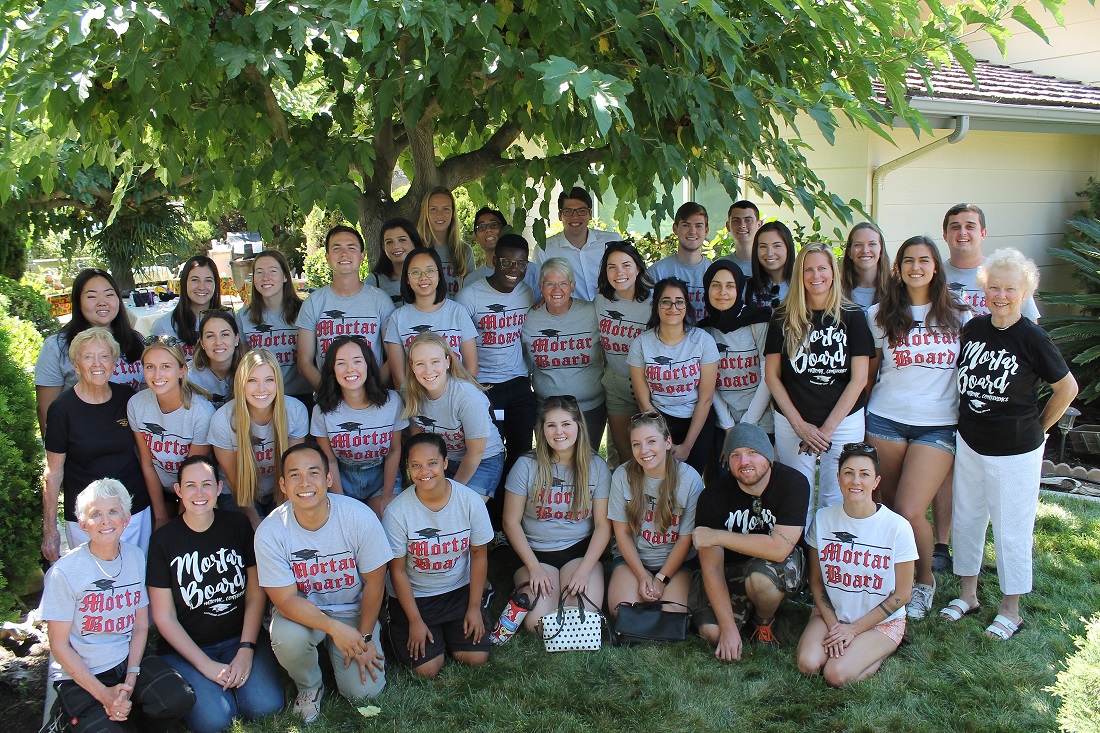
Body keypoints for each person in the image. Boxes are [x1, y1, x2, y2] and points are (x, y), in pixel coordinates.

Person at [940, 249, 1077, 641]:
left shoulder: (1033, 337)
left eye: (1010, 289)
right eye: (994, 287)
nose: (1001, 295)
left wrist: (1040, 426)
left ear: (1024, 292)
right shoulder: (975, 329)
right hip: (970, 442)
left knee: (1011, 528)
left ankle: (1010, 608)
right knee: (967, 517)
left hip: (1016, 450)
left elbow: (1067, 388)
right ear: (984, 289)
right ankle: (968, 594)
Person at [933, 203, 1042, 570]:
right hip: (962, 409)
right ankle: (946, 551)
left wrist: (1036, 425)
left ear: (983, 232)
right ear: (945, 233)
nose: (962, 232)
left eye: (970, 226)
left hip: (1011, 430)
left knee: (1009, 515)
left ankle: (1010, 597)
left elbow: (1038, 355)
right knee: (965, 499)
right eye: (954, 226)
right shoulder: (939, 276)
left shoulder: (1009, 277)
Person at [865, 236, 969, 619]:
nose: (915, 267)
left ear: (936, 267)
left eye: (924, 260)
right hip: (885, 420)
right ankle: (890, 580)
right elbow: (871, 374)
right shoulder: (878, 315)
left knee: (910, 511)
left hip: (938, 426)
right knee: (887, 508)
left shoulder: (960, 315)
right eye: (908, 260)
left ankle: (923, 582)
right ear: (898, 268)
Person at [41, 479, 195, 732]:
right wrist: (104, 695)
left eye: (113, 511)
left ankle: (131, 719)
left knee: (178, 698)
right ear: (82, 524)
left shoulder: (134, 556)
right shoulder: (64, 573)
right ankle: (65, 719)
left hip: (127, 660)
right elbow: (59, 646)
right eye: (95, 514)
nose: (105, 521)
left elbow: (140, 625)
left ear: (126, 518)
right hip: (82, 674)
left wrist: (132, 676)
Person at [255, 444, 392, 723]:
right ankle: (309, 686)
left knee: (363, 694)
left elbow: (375, 583)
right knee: (287, 638)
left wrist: (364, 638)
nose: (304, 483)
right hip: (304, 612)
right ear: (282, 484)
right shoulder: (271, 530)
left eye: (313, 473)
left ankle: (353, 645)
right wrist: (333, 628)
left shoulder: (359, 517)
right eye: (294, 475)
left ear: (328, 479)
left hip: (354, 610)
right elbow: (285, 600)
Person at [147, 455, 284, 733]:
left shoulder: (237, 526)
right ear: (179, 491)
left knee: (265, 706)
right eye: (191, 486)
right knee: (214, 722)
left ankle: (237, 675)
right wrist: (205, 665)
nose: (199, 493)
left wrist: (246, 650)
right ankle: (213, 685)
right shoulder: (163, 540)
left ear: (219, 487)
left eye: (206, 484)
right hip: (188, 648)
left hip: (238, 638)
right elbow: (164, 617)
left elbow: (256, 595)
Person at [765, 242, 874, 528]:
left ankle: (828, 561)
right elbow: (772, 377)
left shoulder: (852, 316)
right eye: (808, 269)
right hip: (792, 421)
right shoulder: (782, 316)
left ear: (833, 273)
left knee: (835, 495)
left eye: (822, 268)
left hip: (843, 421)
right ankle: (797, 559)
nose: (816, 275)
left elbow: (859, 378)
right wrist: (800, 426)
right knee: (796, 493)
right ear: (799, 274)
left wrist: (826, 430)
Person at [797, 442, 917, 686]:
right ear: (839, 478)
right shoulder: (823, 520)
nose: (855, 481)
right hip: (832, 613)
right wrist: (835, 626)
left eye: (864, 474)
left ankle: (881, 649)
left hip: (881, 622)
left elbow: (903, 594)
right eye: (849, 473)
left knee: (835, 675)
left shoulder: (897, 527)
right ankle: (852, 648)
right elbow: (817, 583)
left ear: (876, 482)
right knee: (808, 664)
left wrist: (853, 630)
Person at [690, 423, 810, 659]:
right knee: (711, 631)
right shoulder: (712, 496)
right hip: (730, 570)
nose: (744, 461)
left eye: (752, 453)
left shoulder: (793, 483)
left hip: (778, 565)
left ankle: (762, 620)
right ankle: (741, 616)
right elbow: (712, 567)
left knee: (761, 579)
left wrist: (717, 536)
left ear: (767, 455)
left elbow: (779, 549)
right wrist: (727, 629)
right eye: (736, 455)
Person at [383, 433, 494, 677]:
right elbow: (397, 571)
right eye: (416, 465)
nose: (425, 471)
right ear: (408, 468)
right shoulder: (397, 512)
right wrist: (414, 620)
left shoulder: (470, 502)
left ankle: (479, 607)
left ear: (445, 463)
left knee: (475, 657)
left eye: (432, 463)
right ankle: (401, 623)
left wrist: (473, 608)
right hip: (417, 595)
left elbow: (478, 556)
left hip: (458, 589)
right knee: (427, 669)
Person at [43, 328, 156, 562]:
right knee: (94, 592)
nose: (97, 364)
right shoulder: (61, 410)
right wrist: (50, 529)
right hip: (86, 518)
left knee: (135, 583)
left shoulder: (127, 398)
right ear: (76, 365)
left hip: (132, 513)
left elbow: (145, 455)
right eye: (88, 357)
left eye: (104, 356)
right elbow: (53, 473)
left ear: (114, 362)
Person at [502, 396, 612, 630]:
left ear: (578, 427)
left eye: (566, 424)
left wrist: (584, 572)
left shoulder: (596, 466)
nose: (558, 432)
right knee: (537, 623)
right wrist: (534, 567)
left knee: (583, 617)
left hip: (578, 552)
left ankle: (584, 576)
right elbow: (510, 522)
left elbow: (603, 526)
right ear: (541, 430)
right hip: (536, 552)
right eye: (551, 425)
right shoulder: (526, 465)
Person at [455, 233, 537, 507]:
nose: (514, 271)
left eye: (521, 264)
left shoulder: (527, 292)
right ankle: (488, 517)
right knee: (489, 453)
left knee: (521, 452)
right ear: (494, 261)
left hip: (518, 384)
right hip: (484, 387)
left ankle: (510, 514)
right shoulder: (470, 296)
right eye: (507, 263)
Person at [607, 412, 702, 617]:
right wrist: (642, 575)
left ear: (668, 442)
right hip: (634, 559)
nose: (644, 450)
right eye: (636, 444)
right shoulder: (622, 475)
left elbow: (685, 539)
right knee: (622, 613)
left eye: (651, 441)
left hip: (677, 562)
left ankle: (667, 590)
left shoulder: (689, 479)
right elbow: (621, 533)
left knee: (675, 616)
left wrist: (660, 578)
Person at [35, 268, 145, 435]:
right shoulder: (57, 346)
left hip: (131, 447)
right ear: (78, 302)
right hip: (82, 447)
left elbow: (147, 399)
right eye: (92, 296)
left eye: (109, 295)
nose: (102, 302)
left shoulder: (137, 341)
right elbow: (47, 411)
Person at [628, 277, 719, 475]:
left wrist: (687, 445)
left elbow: (705, 399)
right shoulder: (641, 344)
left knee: (692, 479)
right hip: (658, 417)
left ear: (686, 306)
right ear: (657, 306)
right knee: (661, 478)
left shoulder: (703, 341)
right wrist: (665, 439)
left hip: (696, 418)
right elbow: (644, 402)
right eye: (666, 301)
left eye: (679, 301)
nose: (673, 307)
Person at [208, 349, 309, 528]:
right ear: (241, 383)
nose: (261, 389)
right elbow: (233, 480)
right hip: (238, 493)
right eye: (252, 381)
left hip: (280, 490)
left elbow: (293, 470)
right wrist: (255, 521)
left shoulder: (295, 411)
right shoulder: (223, 420)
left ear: (278, 381)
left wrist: (278, 518)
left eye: (269, 380)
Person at [403, 332, 506, 501]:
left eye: (435, 362)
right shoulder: (411, 395)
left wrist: (450, 491)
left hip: (483, 460)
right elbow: (420, 443)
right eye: (420, 363)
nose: (428, 370)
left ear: (447, 362)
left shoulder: (467, 397)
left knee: (460, 507)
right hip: (443, 461)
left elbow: (476, 451)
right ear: (412, 366)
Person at [312, 335, 407, 516]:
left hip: (381, 476)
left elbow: (395, 450)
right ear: (332, 368)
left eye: (357, 361)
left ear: (368, 365)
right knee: (348, 523)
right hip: (342, 476)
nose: (350, 369)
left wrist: (387, 495)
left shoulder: (392, 402)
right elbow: (329, 460)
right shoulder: (322, 410)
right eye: (341, 363)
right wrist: (340, 503)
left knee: (384, 518)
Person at [297, 225, 396, 390]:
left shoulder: (380, 300)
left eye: (351, 248)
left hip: (373, 397)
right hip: (329, 400)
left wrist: (373, 390)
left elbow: (394, 355)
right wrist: (328, 395)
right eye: (337, 248)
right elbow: (304, 362)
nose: (344, 254)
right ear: (328, 257)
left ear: (362, 256)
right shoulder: (314, 303)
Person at [522, 257, 607, 449]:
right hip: (547, 410)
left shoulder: (592, 312)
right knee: (553, 467)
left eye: (563, 284)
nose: (557, 290)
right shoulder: (529, 319)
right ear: (541, 287)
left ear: (573, 286)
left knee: (588, 465)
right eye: (550, 284)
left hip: (589, 409)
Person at [699, 260, 774, 475]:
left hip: (760, 420)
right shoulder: (704, 331)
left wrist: (746, 427)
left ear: (739, 288)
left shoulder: (758, 322)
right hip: (724, 423)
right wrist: (730, 426)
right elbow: (708, 385)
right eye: (716, 285)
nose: (723, 292)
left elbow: (768, 378)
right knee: (726, 483)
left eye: (730, 286)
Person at [128, 336, 215, 520]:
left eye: (166, 366)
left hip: (192, 490)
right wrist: (160, 516)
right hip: (157, 488)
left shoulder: (201, 413)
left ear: (182, 370)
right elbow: (147, 463)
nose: (157, 375)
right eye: (150, 367)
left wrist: (180, 520)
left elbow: (192, 473)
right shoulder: (137, 404)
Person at [384, 246, 479, 389]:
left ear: (439, 275)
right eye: (415, 272)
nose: (423, 277)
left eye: (429, 270)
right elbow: (399, 378)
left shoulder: (458, 312)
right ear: (407, 279)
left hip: (456, 397)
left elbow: (472, 369)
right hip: (416, 401)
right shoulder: (398, 318)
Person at [594, 241, 654, 464]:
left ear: (638, 268)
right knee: (625, 455)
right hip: (616, 386)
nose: (619, 273)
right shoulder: (601, 301)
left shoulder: (654, 302)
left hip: (650, 388)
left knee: (649, 454)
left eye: (626, 265)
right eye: (612, 266)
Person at [239, 250, 311, 409]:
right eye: (259, 272)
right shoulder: (243, 317)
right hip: (261, 399)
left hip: (300, 399)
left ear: (285, 276)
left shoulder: (305, 311)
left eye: (272, 271)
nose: (265, 277)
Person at [531, 186, 619, 301]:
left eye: (581, 211)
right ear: (559, 215)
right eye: (568, 212)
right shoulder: (544, 250)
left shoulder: (612, 242)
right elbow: (539, 290)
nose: (575, 217)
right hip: (571, 316)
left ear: (590, 214)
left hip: (611, 311)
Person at [648, 202, 713, 322]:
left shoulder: (715, 272)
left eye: (698, 226)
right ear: (675, 229)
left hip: (707, 339)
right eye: (686, 225)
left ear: (706, 230)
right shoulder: (657, 272)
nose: (692, 231)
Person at [152, 255, 222, 361]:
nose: (201, 287)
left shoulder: (229, 318)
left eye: (208, 280)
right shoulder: (163, 326)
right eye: (195, 280)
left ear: (216, 284)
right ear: (184, 283)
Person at [417, 186, 475, 295]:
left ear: (452, 213)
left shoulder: (464, 250)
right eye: (433, 209)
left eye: (446, 209)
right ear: (425, 213)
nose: (440, 214)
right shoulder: (415, 248)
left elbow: (471, 293)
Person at [189, 309, 247, 410]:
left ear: (236, 338)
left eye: (225, 334)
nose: (218, 342)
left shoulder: (249, 372)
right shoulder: (189, 377)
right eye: (210, 336)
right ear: (202, 343)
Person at [369, 218, 423, 306]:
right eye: (389, 242)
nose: (395, 246)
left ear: (413, 242)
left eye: (402, 240)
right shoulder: (374, 282)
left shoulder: (428, 276)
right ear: (383, 247)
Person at [746, 221, 796, 315]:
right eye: (763, 247)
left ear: (788, 248)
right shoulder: (747, 287)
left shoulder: (801, 285)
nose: (769, 253)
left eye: (777, 246)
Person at [840, 223, 891, 310]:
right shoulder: (837, 292)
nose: (865, 250)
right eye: (858, 245)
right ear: (849, 252)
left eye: (872, 244)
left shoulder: (896, 290)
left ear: (881, 250)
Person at [723, 200, 762, 275]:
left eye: (748, 220)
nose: (742, 225)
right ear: (728, 226)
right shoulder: (721, 265)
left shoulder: (769, 265)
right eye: (736, 221)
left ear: (759, 225)